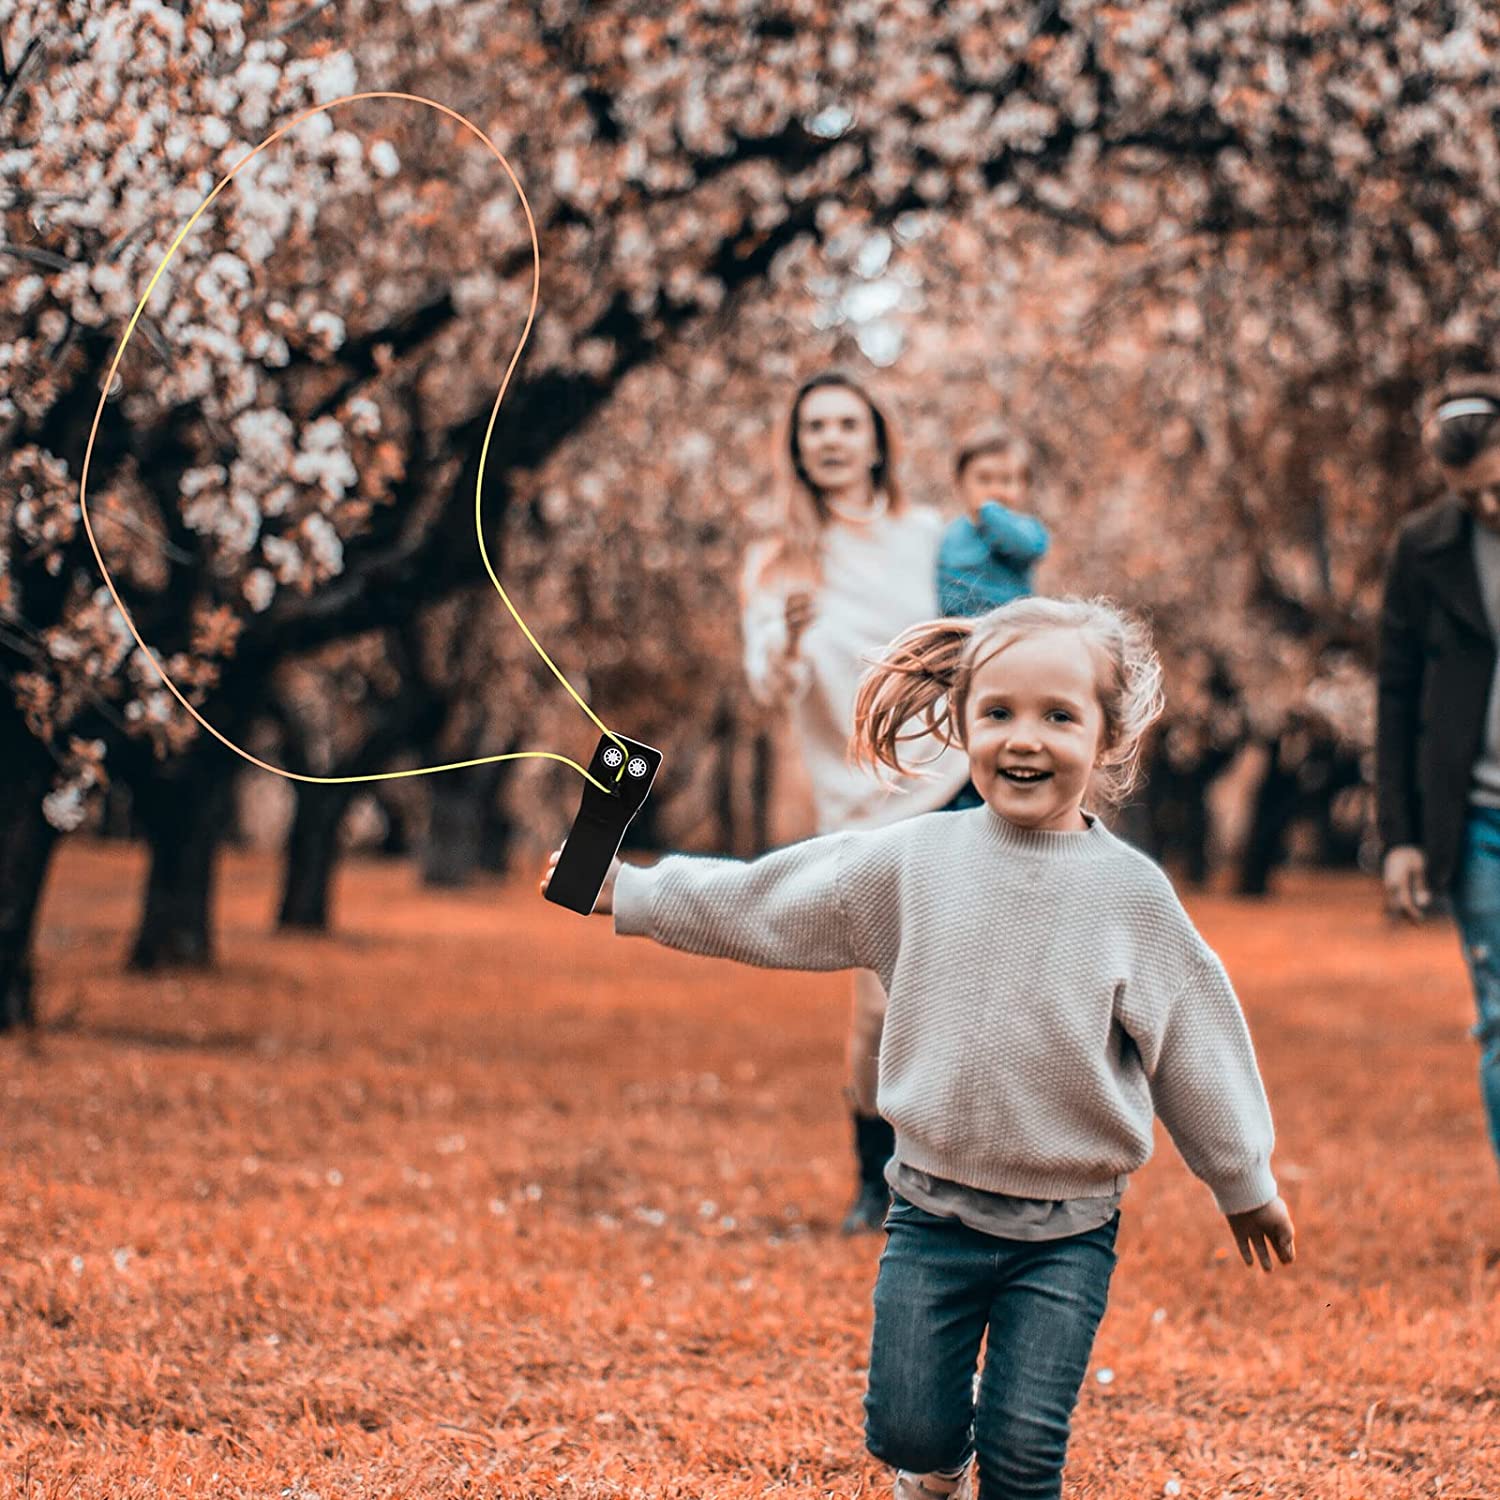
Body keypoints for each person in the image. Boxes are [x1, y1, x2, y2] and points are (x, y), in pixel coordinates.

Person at [544, 595, 1296, 1500]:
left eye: (1060, 716)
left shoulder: (1131, 901)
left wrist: (1243, 1182)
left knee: (1024, 1457)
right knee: (907, 1427)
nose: (1025, 738)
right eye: (999, 713)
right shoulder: (914, 863)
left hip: (1066, 1234)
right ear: (962, 722)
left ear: (1108, 739)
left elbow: (1197, 1045)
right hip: (929, 1217)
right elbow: (772, 901)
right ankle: (931, 1471)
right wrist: (632, 894)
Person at [740, 370, 973, 1234]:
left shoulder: (929, 536)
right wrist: (792, 634)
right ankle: (873, 1175)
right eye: (814, 428)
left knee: (966, 980)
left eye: (847, 424)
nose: (831, 440)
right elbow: (769, 682)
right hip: (860, 800)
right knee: (884, 997)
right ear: (796, 448)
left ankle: (955, 1172)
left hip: (955, 780)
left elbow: (974, 632)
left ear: (877, 437)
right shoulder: (778, 558)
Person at [1378, 372, 1500, 1178]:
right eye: (1470, 495)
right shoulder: (1424, 549)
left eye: (1496, 485)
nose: (1487, 507)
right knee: (1499, 1016)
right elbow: (1395, 695)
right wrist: (1401, 838)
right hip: (1477, 816)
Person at [936, 424, 1050, 618]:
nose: (996, 490)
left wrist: (989, 512)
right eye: (984, 479)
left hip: (1008, 627)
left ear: (1023, 487)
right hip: (957, 628)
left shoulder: (1026, 529)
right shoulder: (948, 535)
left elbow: (1029, 548)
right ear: (959, 485)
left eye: (1006, 480)